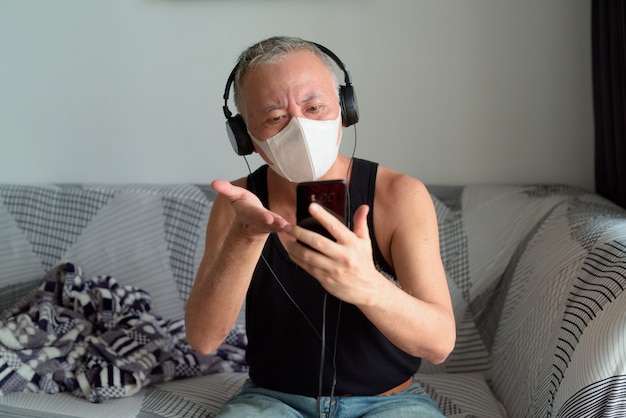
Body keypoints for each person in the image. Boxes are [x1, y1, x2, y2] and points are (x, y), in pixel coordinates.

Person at [185, 36, 456, 417]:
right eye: (275, 117)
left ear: (346, 110)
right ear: (247, 139)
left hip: (391, 401)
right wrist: (244, 236)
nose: (300, 127)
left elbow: (439, 343)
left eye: (314, 107)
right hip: (272, 400)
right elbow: (203, 339)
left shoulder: (399, 195)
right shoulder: (237, 202)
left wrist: (368, 284)